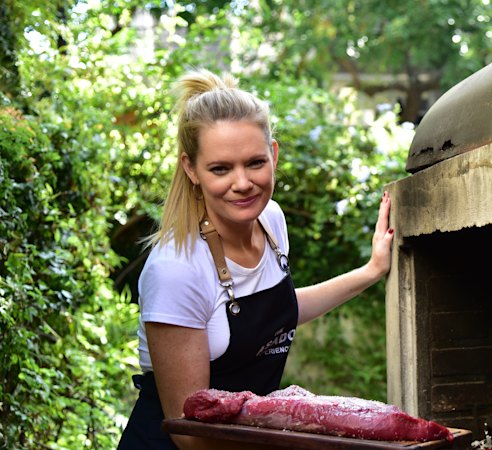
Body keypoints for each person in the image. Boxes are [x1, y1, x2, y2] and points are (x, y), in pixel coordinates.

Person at [118, 69, 394, 449]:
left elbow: (278, 312)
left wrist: (371, 271)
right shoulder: (176, 270)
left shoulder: (271, 221)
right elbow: (189, 436)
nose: (243, 183)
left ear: (274, 155)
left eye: (254, 163)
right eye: (220, 168)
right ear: (190, 169)